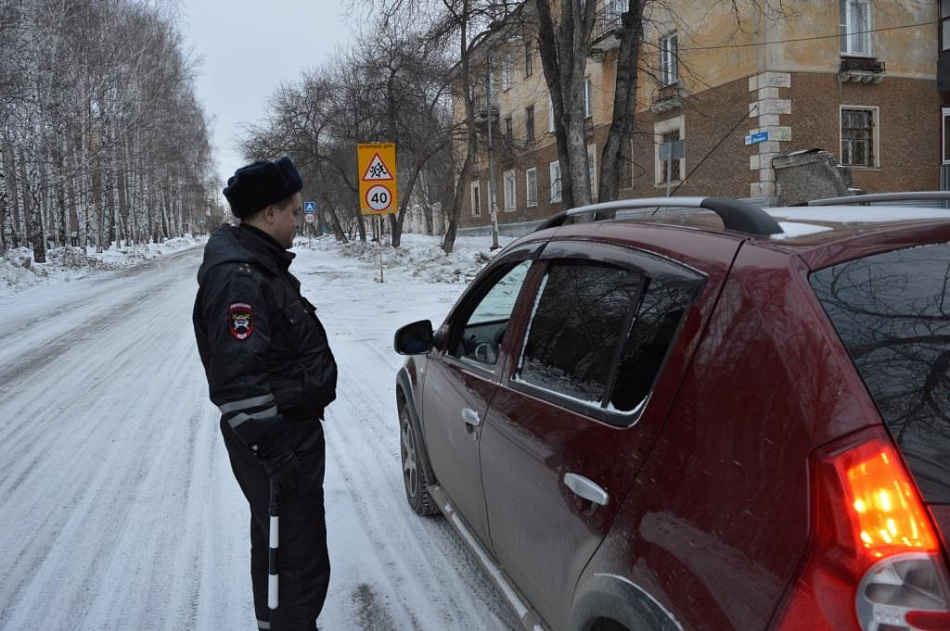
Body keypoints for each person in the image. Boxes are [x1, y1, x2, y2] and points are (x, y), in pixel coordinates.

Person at [193, 156, 337, 631]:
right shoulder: (242, 277)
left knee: (282, 547)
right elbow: (236, 379)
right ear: (269, 213)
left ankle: (278, 623)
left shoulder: (257, 265)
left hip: (285, 436)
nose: (300, 221)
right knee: (295, 556)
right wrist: (274, 450)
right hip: (278, 440)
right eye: (294, 212)